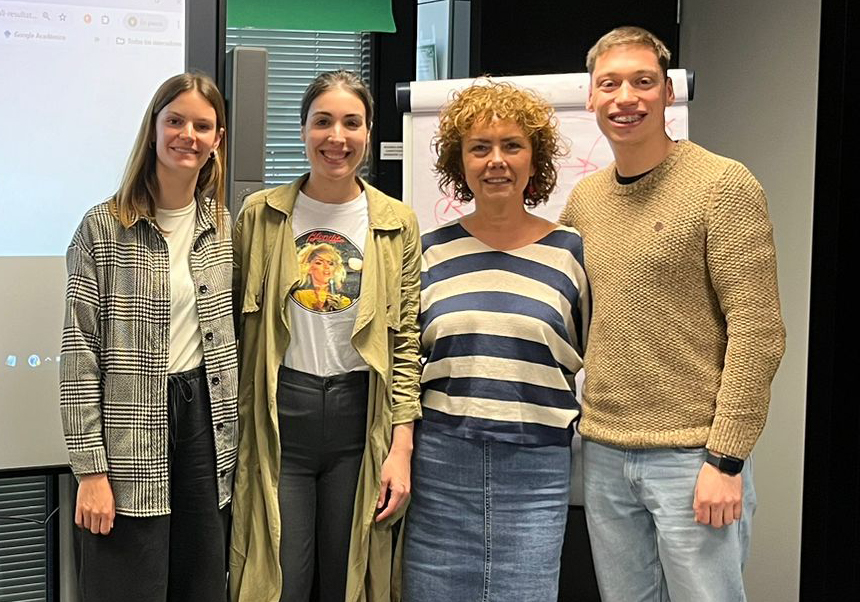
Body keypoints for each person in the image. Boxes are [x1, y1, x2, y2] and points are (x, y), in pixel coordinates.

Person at [559, 26, 786, 601]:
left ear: (668, 92)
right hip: (605, 452)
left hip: (694, 457)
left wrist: (727, 459)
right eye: (609, 84)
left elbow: (758, 333)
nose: (625, 98)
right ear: (591, 97)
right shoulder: (584, 202)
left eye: (642, 81)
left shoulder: (722, 185)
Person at [229, 70, 422, 602]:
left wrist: (401, 448)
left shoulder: (396, 222)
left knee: (350, 579)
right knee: (279, 578)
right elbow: (233, 332)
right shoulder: (261, 216)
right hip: (279, 417)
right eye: (323, 122)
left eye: (351, 123)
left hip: (359, 423)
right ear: (303, 130)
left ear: (367, 131)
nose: (337, 137)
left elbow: (406, 342)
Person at [402, 81, 590, 601]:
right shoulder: (427, 253)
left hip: (537, 471)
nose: (496, 161)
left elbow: (603, 355)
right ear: (459, 163)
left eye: (512, 146)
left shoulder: (571, 253)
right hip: (442, 465)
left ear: (536, 160)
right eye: (479, 148)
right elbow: (404, 364)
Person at [60, 72, 237, 601]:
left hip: (205, 426)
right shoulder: (102, 227)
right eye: (175, 120)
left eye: (202, 126)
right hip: (128, 432)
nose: (188, 134)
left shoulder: (224, 227)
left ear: (217, 140)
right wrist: (90, 471)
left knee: (201, 584)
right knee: (127, 585)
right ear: (153, 129)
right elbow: (78, 356)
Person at [292, 242, 353, 311]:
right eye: (319, 263)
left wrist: (339, 311)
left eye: (331, 263)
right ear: (309, 268)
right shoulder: (300, 296)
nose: (326, 267)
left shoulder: (344, 301)